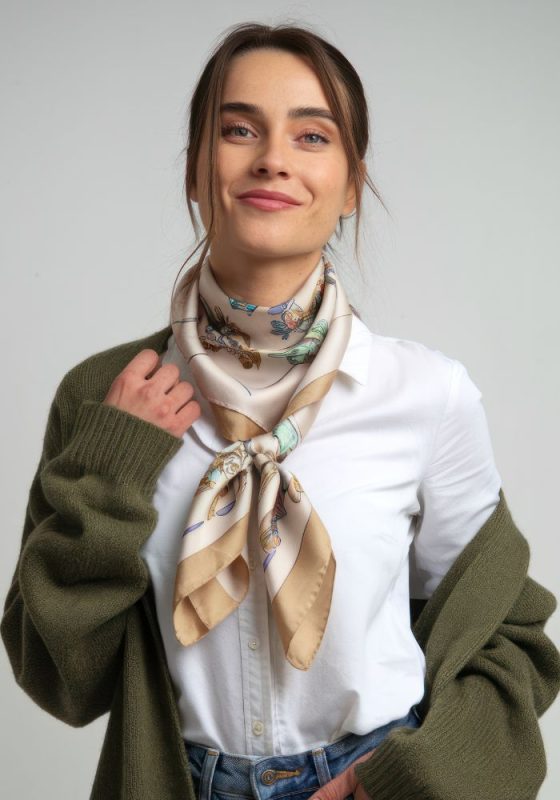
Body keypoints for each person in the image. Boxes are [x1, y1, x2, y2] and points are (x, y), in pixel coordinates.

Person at [2, 21, 559, 800]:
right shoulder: (107, 395)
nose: (272, 158)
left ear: (351, 184)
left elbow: (507, 637)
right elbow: (63, 679)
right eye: (239, 129)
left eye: (312, 136)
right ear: (196, 169)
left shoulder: (428, 395)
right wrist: (112, 468)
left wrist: (402, 782)